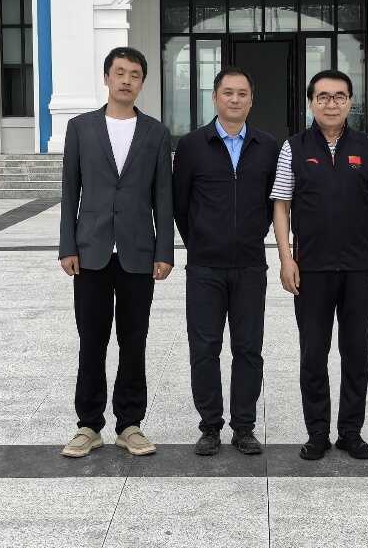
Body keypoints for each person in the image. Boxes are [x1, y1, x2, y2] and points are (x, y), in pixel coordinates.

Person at [57, 46, 174, 459]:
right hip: (90, 251)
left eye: (134, 74)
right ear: (107, 77)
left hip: (138, 251)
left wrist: (165, 250)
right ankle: (88, 425)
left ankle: (130, 424)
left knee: (133, 340)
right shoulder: (81, 128)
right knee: (91, 341)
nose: (126, 80)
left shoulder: (156, 133)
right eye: (120, 72)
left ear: (142, 82)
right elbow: (70, 190)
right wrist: (67, 245)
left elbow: (163, 196)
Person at [271, 69, 368, 461]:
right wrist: (286, 258)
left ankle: (351, 432)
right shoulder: (293, 147)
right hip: (311, 269)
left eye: (340, 96)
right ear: (311, 103)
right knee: (313, 354)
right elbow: (281, 205)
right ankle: (318, 433)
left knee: (355, 353)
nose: (331, 103)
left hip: (358, 268)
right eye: (322, 96)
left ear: (350, 102)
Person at [173, 66, 279, 457]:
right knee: (204, 349)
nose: (235, 99)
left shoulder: (268, 146)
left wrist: (251, 236)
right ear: (215, 97)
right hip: (204, 267)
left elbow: (273, 202)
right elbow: (180, 204)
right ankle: (210, 426)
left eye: (242, 93)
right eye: (227, 93)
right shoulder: (192, 145)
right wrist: (200, 242)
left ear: (251, 100)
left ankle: (244, 427)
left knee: (249, 349)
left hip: (250, 265)